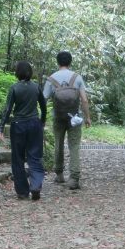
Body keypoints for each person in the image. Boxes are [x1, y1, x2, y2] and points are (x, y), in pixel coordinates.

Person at [0, 61, 47, 201]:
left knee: (17, 158)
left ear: (17, 73)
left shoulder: (14, 88)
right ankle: (36, 185)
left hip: (18, 125)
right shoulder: (36, 87)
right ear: (30, 72)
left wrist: (1, 128)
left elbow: (7, 109)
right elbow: (43, 108)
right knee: (35, 156)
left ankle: (22, 191)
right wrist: (42, 122)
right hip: (34, 124)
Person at [43, 51, 91, 190]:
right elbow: (84, 100)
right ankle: (74, 178)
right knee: (74, 146)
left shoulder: (51, 78)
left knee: (58, 144)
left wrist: (42, 118)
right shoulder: (77, 77)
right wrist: (87, 117)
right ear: (70, 62)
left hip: (58, 117)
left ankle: (59, 174)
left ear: (58, 62)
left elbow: (44, 99)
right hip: (74, 118)